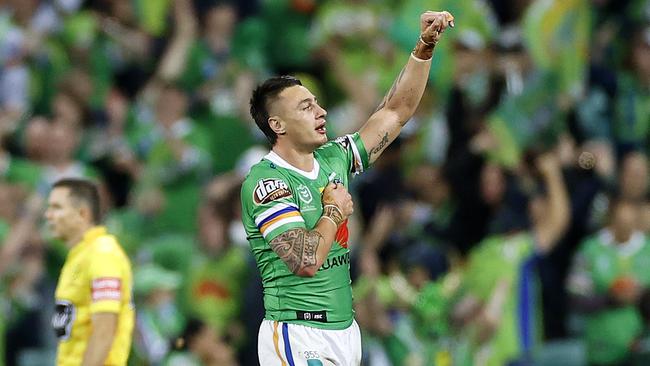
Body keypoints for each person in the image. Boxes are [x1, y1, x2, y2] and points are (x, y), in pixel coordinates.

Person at [241, 10, 454, 365]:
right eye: (306, 107)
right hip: (299, 332)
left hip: (345, 331)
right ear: (277, 124)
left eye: (318, 103)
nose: (321, 111)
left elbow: (395, 112)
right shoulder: (267, 182)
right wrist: (333, 211)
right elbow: (305, 260)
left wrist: (424, 48)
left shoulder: (333, 159)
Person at [45, 178, 134, 366]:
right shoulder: (79, 257)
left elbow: (104, 329)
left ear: (82, 214)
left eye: (57, 208)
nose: (48, 215)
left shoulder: (103, 255)